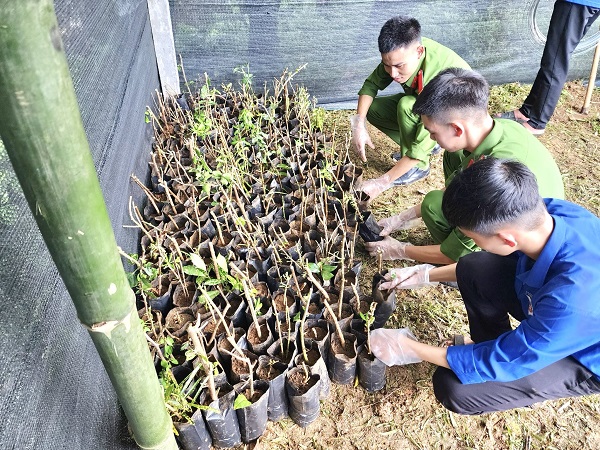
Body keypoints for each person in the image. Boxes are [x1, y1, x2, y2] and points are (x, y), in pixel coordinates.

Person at [370, 157, 600, 414]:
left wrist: (410, 348)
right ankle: (488, 341)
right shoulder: (547, 215)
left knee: (454, 387)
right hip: (558, 313)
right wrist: (424, 275)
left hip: (584, 353)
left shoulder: (571, 301)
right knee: (474, 266)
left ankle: (511, 373)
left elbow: (509, 361)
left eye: (474, 238)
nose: (475, 243)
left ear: (507, 239)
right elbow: (476, 267)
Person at [364, 68, 564, 267]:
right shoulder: (500, 127)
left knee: (432, 206)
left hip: (520, 241)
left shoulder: (496, 176)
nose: (431, 138)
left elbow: (451, 255)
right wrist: (400, 219)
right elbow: (456, 180)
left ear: (457, 128)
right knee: (454, 154)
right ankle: (461, 226)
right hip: (515, 212)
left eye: (433, 132)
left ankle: (468, 249)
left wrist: (399, 250)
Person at [352, 16, 470, 201]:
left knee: (407, 106)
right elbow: (371, 85)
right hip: (427, 107)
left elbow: (431, 123)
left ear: (419, 51)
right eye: (387, 65)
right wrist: (359, 124)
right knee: (373, 108)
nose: (393, 73)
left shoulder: (438, 79)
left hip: (453, 116)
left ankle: (418, 166)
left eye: (399, 66)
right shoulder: (401, 54)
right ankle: (428, 145)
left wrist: (382, 182)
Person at [497, 0, 600, 135]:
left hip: (577, 3)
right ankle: (527, 111)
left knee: (556, 60)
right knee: (552, 58)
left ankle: (537, 123)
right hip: (586, 4)